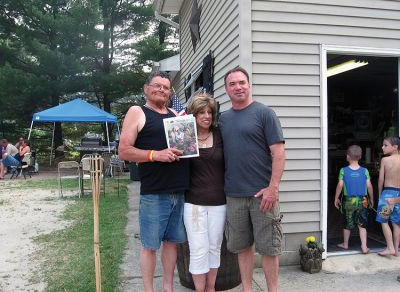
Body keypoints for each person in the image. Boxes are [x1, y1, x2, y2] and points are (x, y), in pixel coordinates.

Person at [118, 71, 189, 292]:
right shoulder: (137, 112)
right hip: (154, 192)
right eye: (157, 85)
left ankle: (168, 287)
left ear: (170, 92)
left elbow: (185, 148)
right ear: (146, 88)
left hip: (179, 190)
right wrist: (154, 155)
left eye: (166, 87)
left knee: (171, 243)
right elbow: (124, 151)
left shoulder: (175, 114)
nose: (161, 90)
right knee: (150, 246)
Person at [219, 67, 285, 292]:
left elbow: (278, 152)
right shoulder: (223, 120)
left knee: (269, 248)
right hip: (234, 195)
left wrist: (272, 188)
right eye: (232, 84)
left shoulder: (265, 113)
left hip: (262, 195)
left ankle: (272, 290)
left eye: (241, 82)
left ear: (249, 84)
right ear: (226, 89)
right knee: (241, 247)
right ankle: (247, 288)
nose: (237, 87)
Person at [184, 93, 226, 292]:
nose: (207, 116)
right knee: (198, 249)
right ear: (193, 114)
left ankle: (211, 288)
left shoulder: (219, 134)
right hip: (193, 203)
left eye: (209, 112)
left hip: (219, 202)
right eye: (201, 112)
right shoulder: (185, 136)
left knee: (214, 248)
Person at [333, 145, 374, 254]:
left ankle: (345, 244)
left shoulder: (343, 170)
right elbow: (369, 186)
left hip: (349, 200)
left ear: (347, 157)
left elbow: (340, 185)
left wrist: (336, 197)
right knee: (362, 224)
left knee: (348, 222)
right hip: (363, 199)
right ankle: (364, 247)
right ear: (360, 157)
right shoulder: (365, 171)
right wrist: (372, 199)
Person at [375, 136, 400, 256]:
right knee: (396, 223)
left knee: (383, 220)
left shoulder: (385, 160)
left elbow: (381, 179)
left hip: (388, 194)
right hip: (398, 195)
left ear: (395, 147)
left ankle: (390, 247)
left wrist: (380, 194)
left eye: (385, 145)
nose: (382, 147)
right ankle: (396, 250)